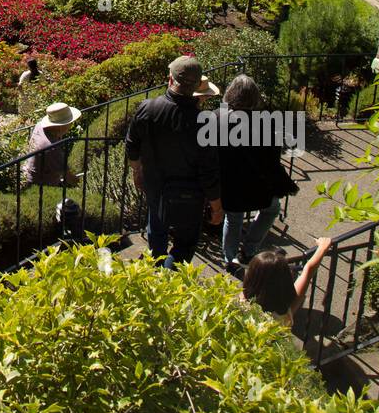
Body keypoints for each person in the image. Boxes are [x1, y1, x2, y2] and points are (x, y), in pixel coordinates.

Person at [125, 55, 223, 269]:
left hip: (157, 190)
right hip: (191, 197)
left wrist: (137, 171)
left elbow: (132, 146)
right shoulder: (205, 122)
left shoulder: (147, 109)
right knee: (184, 246)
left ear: (170, 79)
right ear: (197, 86)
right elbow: (209, 170)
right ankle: (168, 279)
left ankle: (156, 278)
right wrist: (216, 205)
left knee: (157, 234)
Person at [210, 74, 297, 275]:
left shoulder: (216, 117)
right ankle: (249, 249)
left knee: (233, 218)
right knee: (272, 209)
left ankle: (230, 257)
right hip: (257, 186)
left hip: (228, 184)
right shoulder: (266, 123)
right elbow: (273, 158)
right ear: (254, 98)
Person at [242, 237, 334, 325]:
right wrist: (322, 248)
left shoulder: (241, 303)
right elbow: (308, 270)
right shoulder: (288, 309)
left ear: (251, 276)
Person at [23, 102, 81, 187]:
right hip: (40, 186)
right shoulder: (51, 147)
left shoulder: (40, 126)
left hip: (29, 176)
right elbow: (68, 177)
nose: (71, 125)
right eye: (70, 123)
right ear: (61, 126)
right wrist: (83, 185)